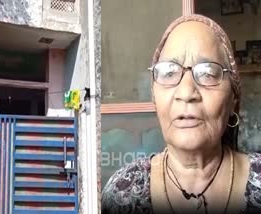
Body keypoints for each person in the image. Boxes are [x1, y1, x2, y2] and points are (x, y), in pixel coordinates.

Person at [101, 14, 261, 214]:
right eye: (169, 72)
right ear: (155, 98)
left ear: (232, 100)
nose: (186, 93)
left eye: (208, 73)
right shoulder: (122, 193)